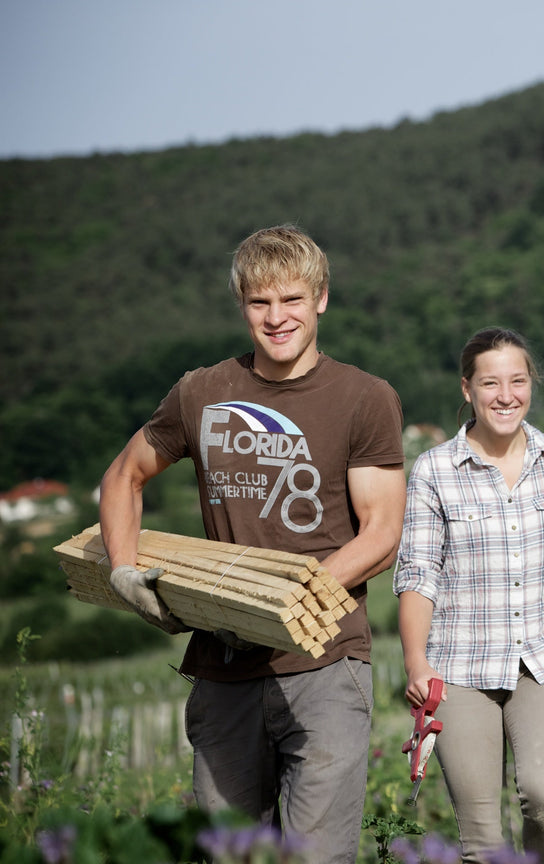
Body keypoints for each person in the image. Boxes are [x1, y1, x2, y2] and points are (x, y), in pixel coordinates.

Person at [98, 224, 406, 864]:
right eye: (260, 302)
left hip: (324, 661)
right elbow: (124, 476)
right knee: (230, 856)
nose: (276, 317)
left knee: (316, 857)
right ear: (242, 304)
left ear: (320, 299)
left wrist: (289, 598)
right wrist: (125, 572)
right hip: (224, 665)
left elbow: (382, 532)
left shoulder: (363, 398)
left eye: (291, 300)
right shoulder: (203, 392)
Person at [393, 326, 544, 864]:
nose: (506, 395)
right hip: (458, 665)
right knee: (481, 835)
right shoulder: (434, 470)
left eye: (517, 381)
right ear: (467, 390)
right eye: (490, 383)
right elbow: (417, 574)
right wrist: (417, 663)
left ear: (531, 384)